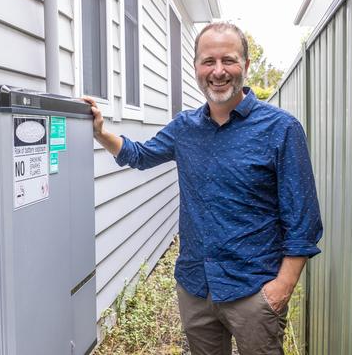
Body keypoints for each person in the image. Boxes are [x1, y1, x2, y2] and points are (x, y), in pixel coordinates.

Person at [85, 22, 323, 355]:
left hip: (254, 291)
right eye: (208, 61)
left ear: (246, 65)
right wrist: (100, 133)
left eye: (229, 60)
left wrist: (280, 289)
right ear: (196, 67)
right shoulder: (185, 128)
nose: (218, 71)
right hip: (196, 288)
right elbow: (139, 155)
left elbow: (304, 221)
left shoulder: (281, 129)